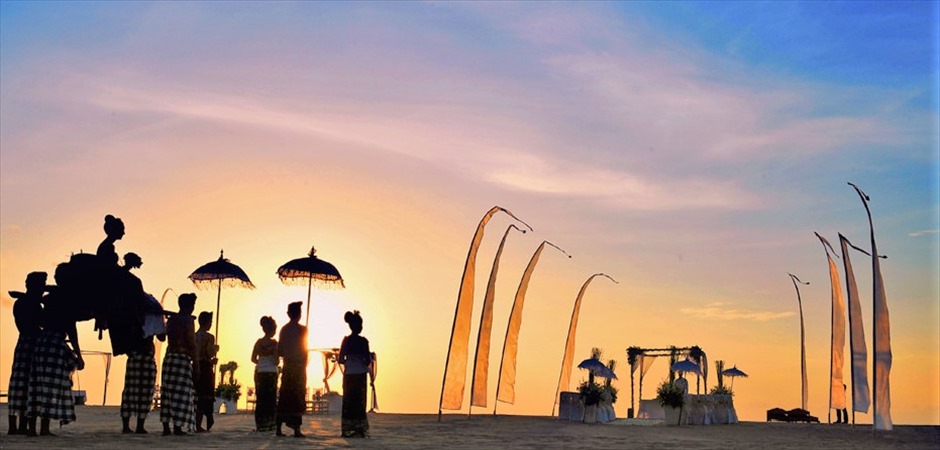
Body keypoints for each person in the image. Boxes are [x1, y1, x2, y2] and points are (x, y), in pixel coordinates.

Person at [28, 264, 85, 437]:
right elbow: (72, 330)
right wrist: (79, 355)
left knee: (37, 385)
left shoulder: (49, 297)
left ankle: (32, 428)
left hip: (42, 342)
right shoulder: (68, 299)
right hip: (55, 343)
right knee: (50, 387)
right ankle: (44, 428)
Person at [119, 252, 163, 434]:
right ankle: (138, 426)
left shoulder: (134, 314)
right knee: (143, 391)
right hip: (143, 354)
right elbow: (161, 337)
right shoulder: (149, 310)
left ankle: (129, 426)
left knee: (130, 390)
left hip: (135, 355)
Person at [7, 272, 46, 435]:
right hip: (30, 342)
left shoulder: (22, 302)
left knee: (19, 384)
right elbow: (39, 322)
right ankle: (19, 425)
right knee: (27, 384)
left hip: (23, 342)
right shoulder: (31, 304)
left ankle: (16, 425)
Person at [160, 293, 197, 436]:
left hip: (169, 358)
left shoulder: (172, 320)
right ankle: (177, 427)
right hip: (181, 359)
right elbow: (191, 342)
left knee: (168, 393)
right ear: (189, 306)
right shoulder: (188, 321)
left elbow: (163, 336)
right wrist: (196, 364)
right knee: (180, 395)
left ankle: (166, 427)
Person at [338, 310, 372, 438]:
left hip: (349, 374)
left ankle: (347, 428)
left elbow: (341, 359)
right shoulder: (364, 341)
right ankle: (359, 428)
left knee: (348, 401)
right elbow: (367, 361)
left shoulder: (346, 341)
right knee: (359, 402)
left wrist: (349, 361)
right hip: (360, 374)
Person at [276, 302, 308, 437]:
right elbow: (304, 349)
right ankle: (296, 429)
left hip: (289, 365)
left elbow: (280, 351)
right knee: (296, 396)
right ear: (299, 314)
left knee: (286, 395)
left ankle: (279, 428)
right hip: (298, 366)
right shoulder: (303, 330)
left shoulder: (284, 330)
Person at [251, 316, 279, 432]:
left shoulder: (259, 343)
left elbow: (253, 358)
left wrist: (262, 361)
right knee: (271, 399)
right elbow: (276, 361)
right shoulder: (274, 344)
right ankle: (271, 423)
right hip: (272, 372)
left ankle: (260, 424)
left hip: (260, 372)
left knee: (261, 399)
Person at [194, 311, 219, 432]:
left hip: (195, 365)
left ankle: (197, 422)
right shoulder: (209, 337)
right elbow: (209, 353)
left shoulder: (194, 335)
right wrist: (215, 349)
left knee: (198, 394)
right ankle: (201, 421)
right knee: (205, 395)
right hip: (205, 367)